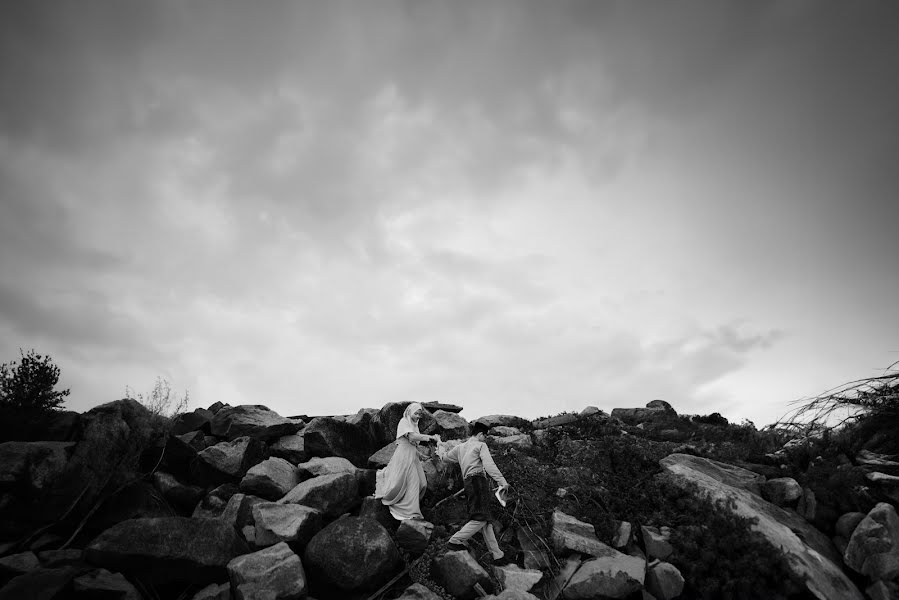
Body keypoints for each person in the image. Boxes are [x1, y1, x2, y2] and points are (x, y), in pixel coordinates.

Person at [441, 421, 513, 565]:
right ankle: (455, 540)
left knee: (485, 520)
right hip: (479, 482)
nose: (485, 439)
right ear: (480, 434)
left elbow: (444, 458)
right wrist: (502, 482)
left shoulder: (460, 448)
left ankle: (497, 555)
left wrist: (439, 446)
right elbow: (489, 465)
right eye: (485, 437)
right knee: (480, 518)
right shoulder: (481, 445)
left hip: (468, 483)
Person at [375, 402, 440, 521]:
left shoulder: (415, 425)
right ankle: (411, 513)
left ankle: (410, 506)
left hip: (413, 456)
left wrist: (421, 456)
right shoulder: (404, 421)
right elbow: (411, 437)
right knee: (414, 482)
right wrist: (430, 437)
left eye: (420, 414)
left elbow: (413, 445)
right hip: (404, 456)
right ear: (410, 411)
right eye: (416, 413)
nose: (418, 416)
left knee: (423, 484)